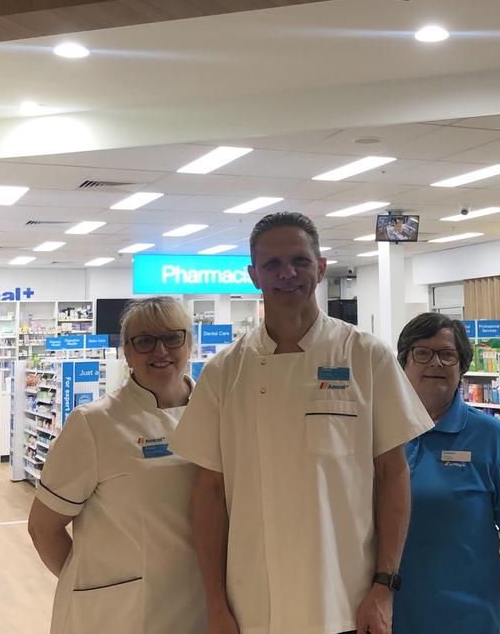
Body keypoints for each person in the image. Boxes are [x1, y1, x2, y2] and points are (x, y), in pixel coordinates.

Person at [170, 211, 433, 634]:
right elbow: (209, 493)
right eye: (272, 264)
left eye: (299, 260)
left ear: (321, 266)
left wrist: (385, 586)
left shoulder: (366, 357)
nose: (287, 273)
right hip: (252, 605)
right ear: (254, 275)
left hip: (346, 600)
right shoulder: (224, 371)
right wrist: (216, 604)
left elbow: (393, 473)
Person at [27, 297, 205, 634]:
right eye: (144, 341)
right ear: (126, 350)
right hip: (118, 615)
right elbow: (43, 528)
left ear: (190, 341)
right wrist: (93, 584)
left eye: (172, 337)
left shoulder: (216, 412)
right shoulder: (94, 424)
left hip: (201, 600)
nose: (160, 350)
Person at [394, 312, 500, 634]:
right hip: (391, 615)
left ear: (461, 367)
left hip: (472, 617)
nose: (435, 363)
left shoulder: (490, 437)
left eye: (447, 355)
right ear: (403, 361)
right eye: (422, 353)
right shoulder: (380, 432)